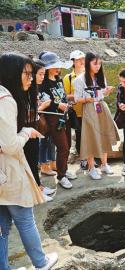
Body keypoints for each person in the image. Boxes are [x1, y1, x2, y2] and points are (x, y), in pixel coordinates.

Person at [0, 52, 58, 270]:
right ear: (12, 73)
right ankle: (41, 262)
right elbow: (11, 146)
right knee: (24, 218)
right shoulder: (6, 100)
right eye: (27, 73)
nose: (30, 78)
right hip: (8, 170)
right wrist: (26, 131)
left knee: (2, 226)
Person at [74, 52, 119, 180]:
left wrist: (106, 91)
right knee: (90, 137)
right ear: (88, 63)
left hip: (101, 107)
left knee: (104, 134)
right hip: (89, 108)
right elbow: (77, 99)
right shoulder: (80, 79)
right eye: (95, 63)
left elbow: (102, 94)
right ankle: (91, 167)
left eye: (99, 64)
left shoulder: (101, 77)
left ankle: (104, 164)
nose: (98, 66)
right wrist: (89, 99)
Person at [38, 51, 76, 189]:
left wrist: (68, 101)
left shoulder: (58, 79)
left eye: (58, 66)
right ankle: (61, 176)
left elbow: (62, 96)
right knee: (63, 147)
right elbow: (44, 100)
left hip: (64, 115)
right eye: (54, 66)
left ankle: (63, 171)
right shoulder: (43, 82)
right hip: (53, 117)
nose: (57, 69)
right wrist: (58, 104)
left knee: (68, 146)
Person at [24, 59, 56, 202]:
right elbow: (27, 114)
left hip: (33, 129)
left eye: (44, 74)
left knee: (34, 159)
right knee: (31, 160)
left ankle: (39, 187)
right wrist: (42, 107)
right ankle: (36, 190)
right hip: (27, 132)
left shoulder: (34, 89)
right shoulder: (26, 90)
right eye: (40, 74)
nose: (42, 77)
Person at [63, 50, 86, 169]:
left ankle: (91, 157)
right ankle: (83, 159)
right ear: (73, 62)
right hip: (77, 112)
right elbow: (66, 96)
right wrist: (79, 96)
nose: (82, 61)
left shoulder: (90, 75)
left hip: (90, 111)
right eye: (79, 59)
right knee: (80, 135)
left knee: (91, 134)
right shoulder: (68, 78)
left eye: (83, 59)